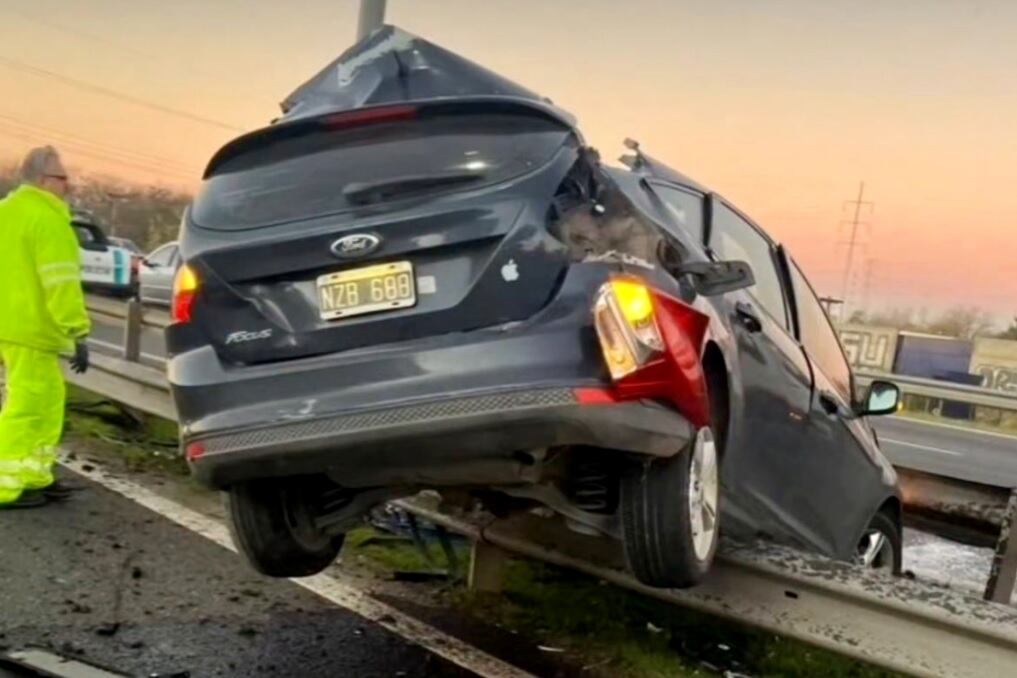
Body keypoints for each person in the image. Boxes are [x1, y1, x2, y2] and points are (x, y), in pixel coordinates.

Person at [0, 146, 91, 509]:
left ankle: (35, 475)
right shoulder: (47, 219)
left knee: (45, 404)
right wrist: (77, 330)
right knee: (28, 407)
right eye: (62, 178)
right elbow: (60, 283)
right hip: (32, 329)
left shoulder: (7, 213)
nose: (68, 186)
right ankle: (7, 485)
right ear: (43, 180)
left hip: (11, 326)